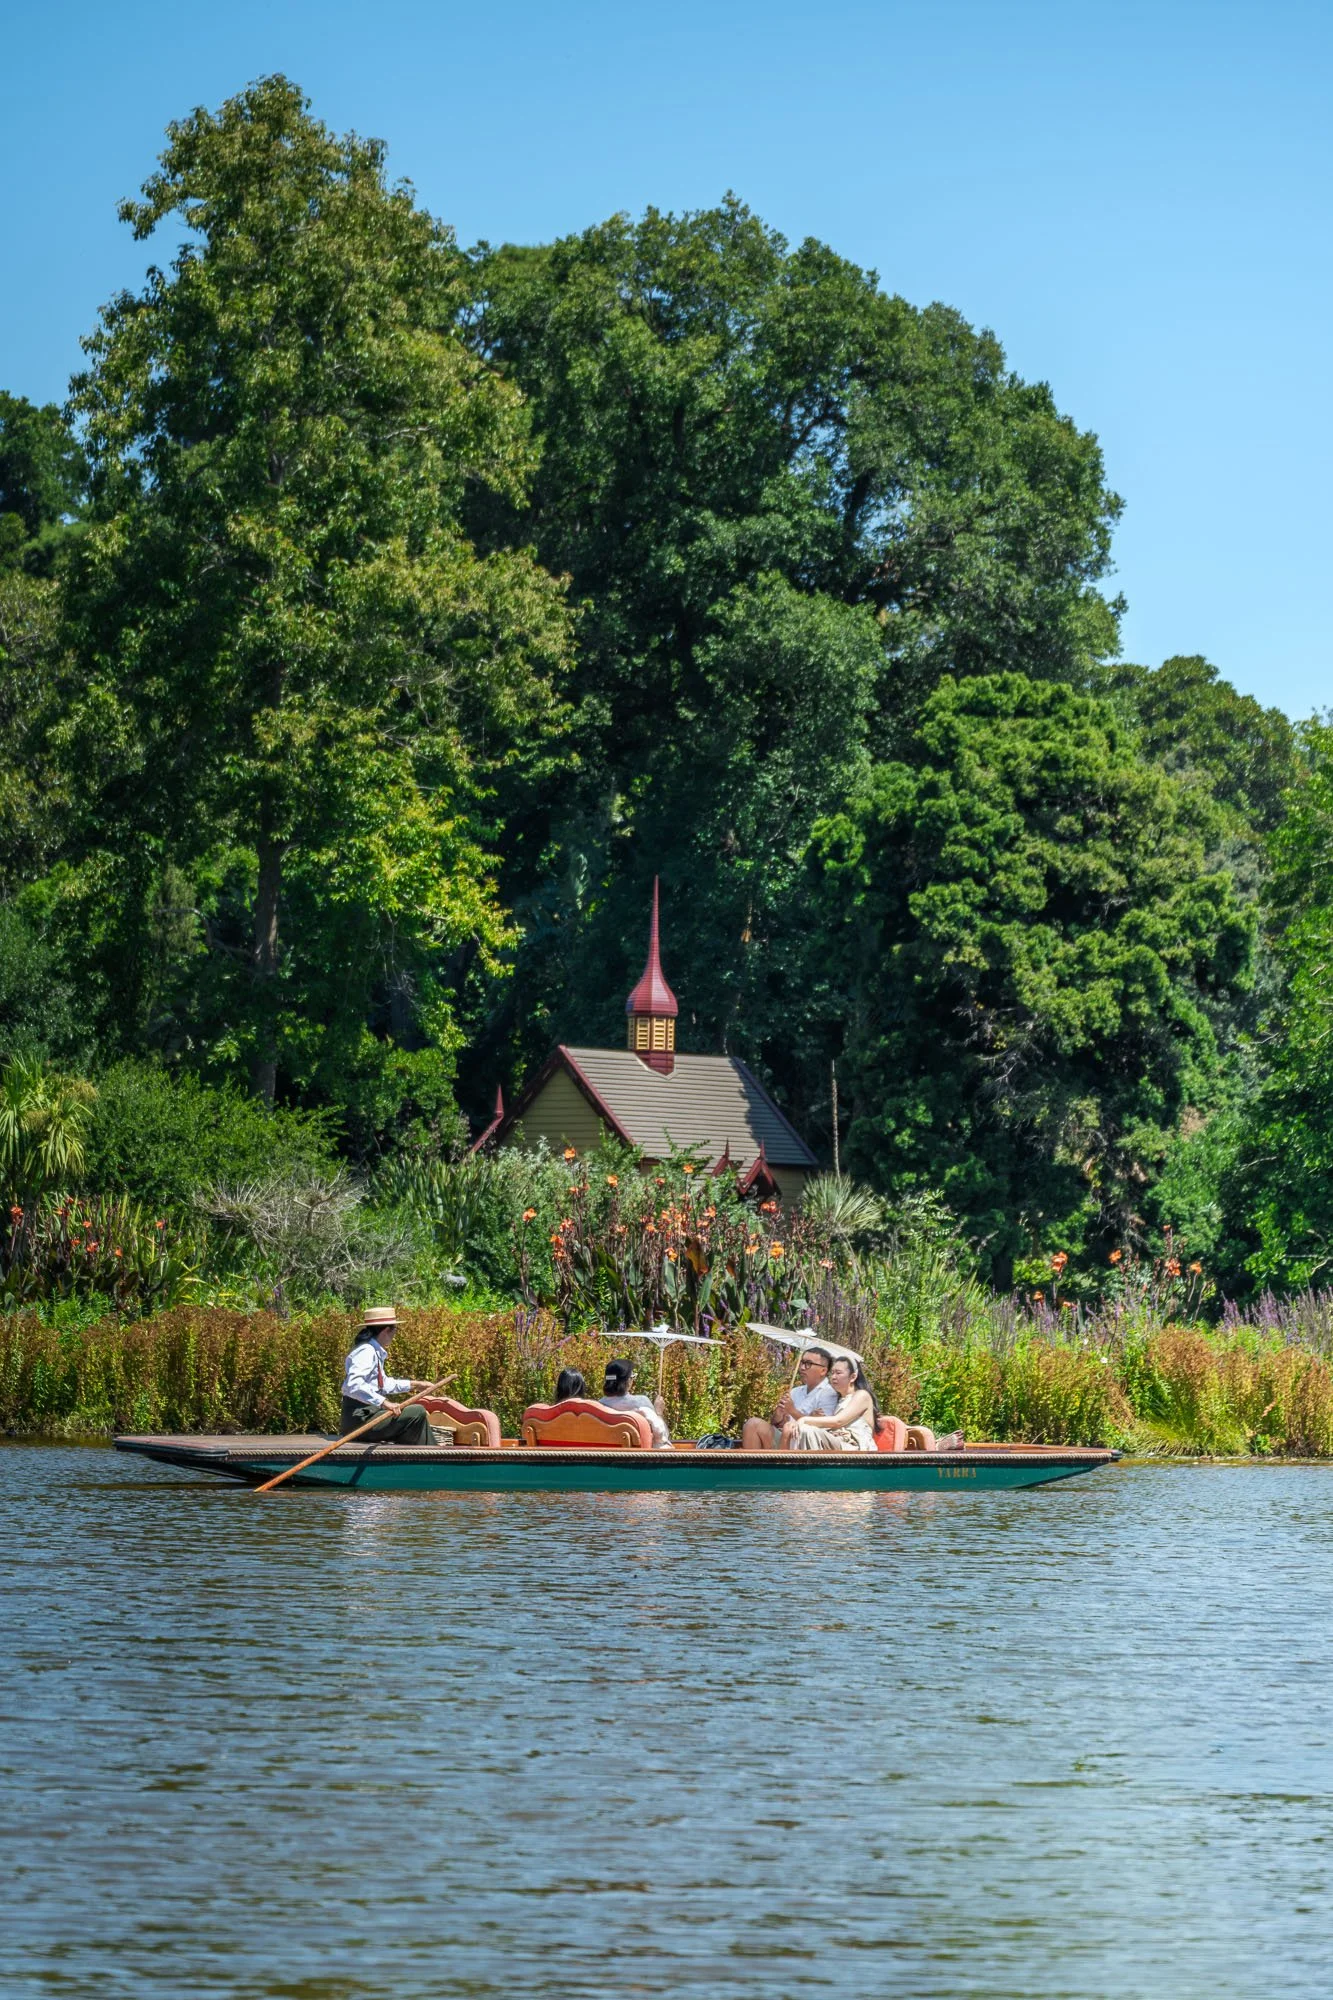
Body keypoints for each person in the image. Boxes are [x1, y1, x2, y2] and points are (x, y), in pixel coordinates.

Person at [340, 1307, 436, 1445]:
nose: (395, 1334)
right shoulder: (366, 1351)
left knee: (413, 1417)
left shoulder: (373, 1350)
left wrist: (417, 1385)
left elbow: (383, 1384)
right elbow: (354, 1384)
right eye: (395, 1330)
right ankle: (431, 1456)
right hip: (359, 1420)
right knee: (417, 1411)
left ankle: (423, 1456)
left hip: (367, 1415)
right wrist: (385, 1403)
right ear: (386, 1331)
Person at [741, 1345, 839, 1449]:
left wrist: (792, 1411)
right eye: (802, 1362)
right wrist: (778, 1416)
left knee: (788, 1429)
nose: (802, 1368)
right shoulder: (795, 1391)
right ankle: (752, 1465)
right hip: (785, 1438)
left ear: (823, 1371)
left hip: (804, 1445)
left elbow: (822, 1429)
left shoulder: (828, 1394)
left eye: (808, 1364)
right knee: (752, 1424)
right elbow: (776, 1423)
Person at [784, 1353, 878, 1452]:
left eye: (838, 1373)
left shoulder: (862, 1395)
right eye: (832, 1373)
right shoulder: (839, 1399)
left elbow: (838, 1421)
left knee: (806, 1430)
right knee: (802, 1429)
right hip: (839, 1442)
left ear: (853, 1377)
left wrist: (804, 1419)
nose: (833, 1377)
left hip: (857, 1448)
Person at [599, 1357, 673, 1449]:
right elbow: (661, 1435)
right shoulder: (640, 1403)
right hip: (641, 1458)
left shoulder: (598, 1406)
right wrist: (659, 1413)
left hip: (607, 1456)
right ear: (628, 1381)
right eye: (633, 1377)